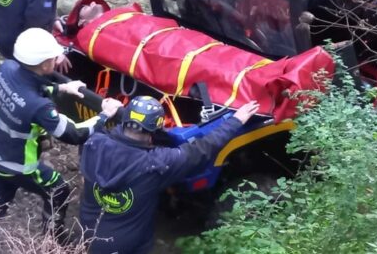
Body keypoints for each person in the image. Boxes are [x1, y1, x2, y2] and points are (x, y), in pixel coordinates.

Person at [0, 28, 115, 248]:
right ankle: (53, 237)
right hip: (20, 165)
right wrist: (104, 115)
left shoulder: (5, 69)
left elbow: (27, 87)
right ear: (45, 64)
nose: (56, 61)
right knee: (59, 189)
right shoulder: (40, 108)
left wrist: (62, 88)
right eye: (53, 58)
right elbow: (74, 133)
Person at [79, 96, 260, 253]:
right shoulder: (157, 163)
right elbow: (203, 148)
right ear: (155, 129)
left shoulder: (93, 143)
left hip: (86, 233)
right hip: (128, 245)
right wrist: (236, 120)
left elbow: (94, 131)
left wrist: (104, 114)